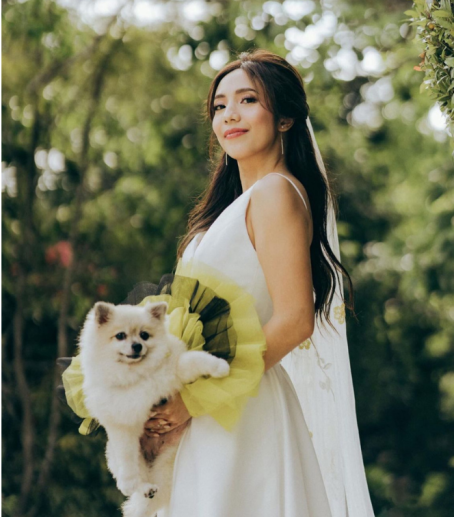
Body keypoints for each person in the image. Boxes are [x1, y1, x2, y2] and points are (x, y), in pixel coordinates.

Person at [143, 50, 374, 516]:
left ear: (285, 117)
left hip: (243, 409)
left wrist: (197, 397)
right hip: (211, 411)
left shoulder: (275, 194)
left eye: (247, 100)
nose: (229, 114)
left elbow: (294, 321)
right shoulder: (232, 208)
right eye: (220, 105)